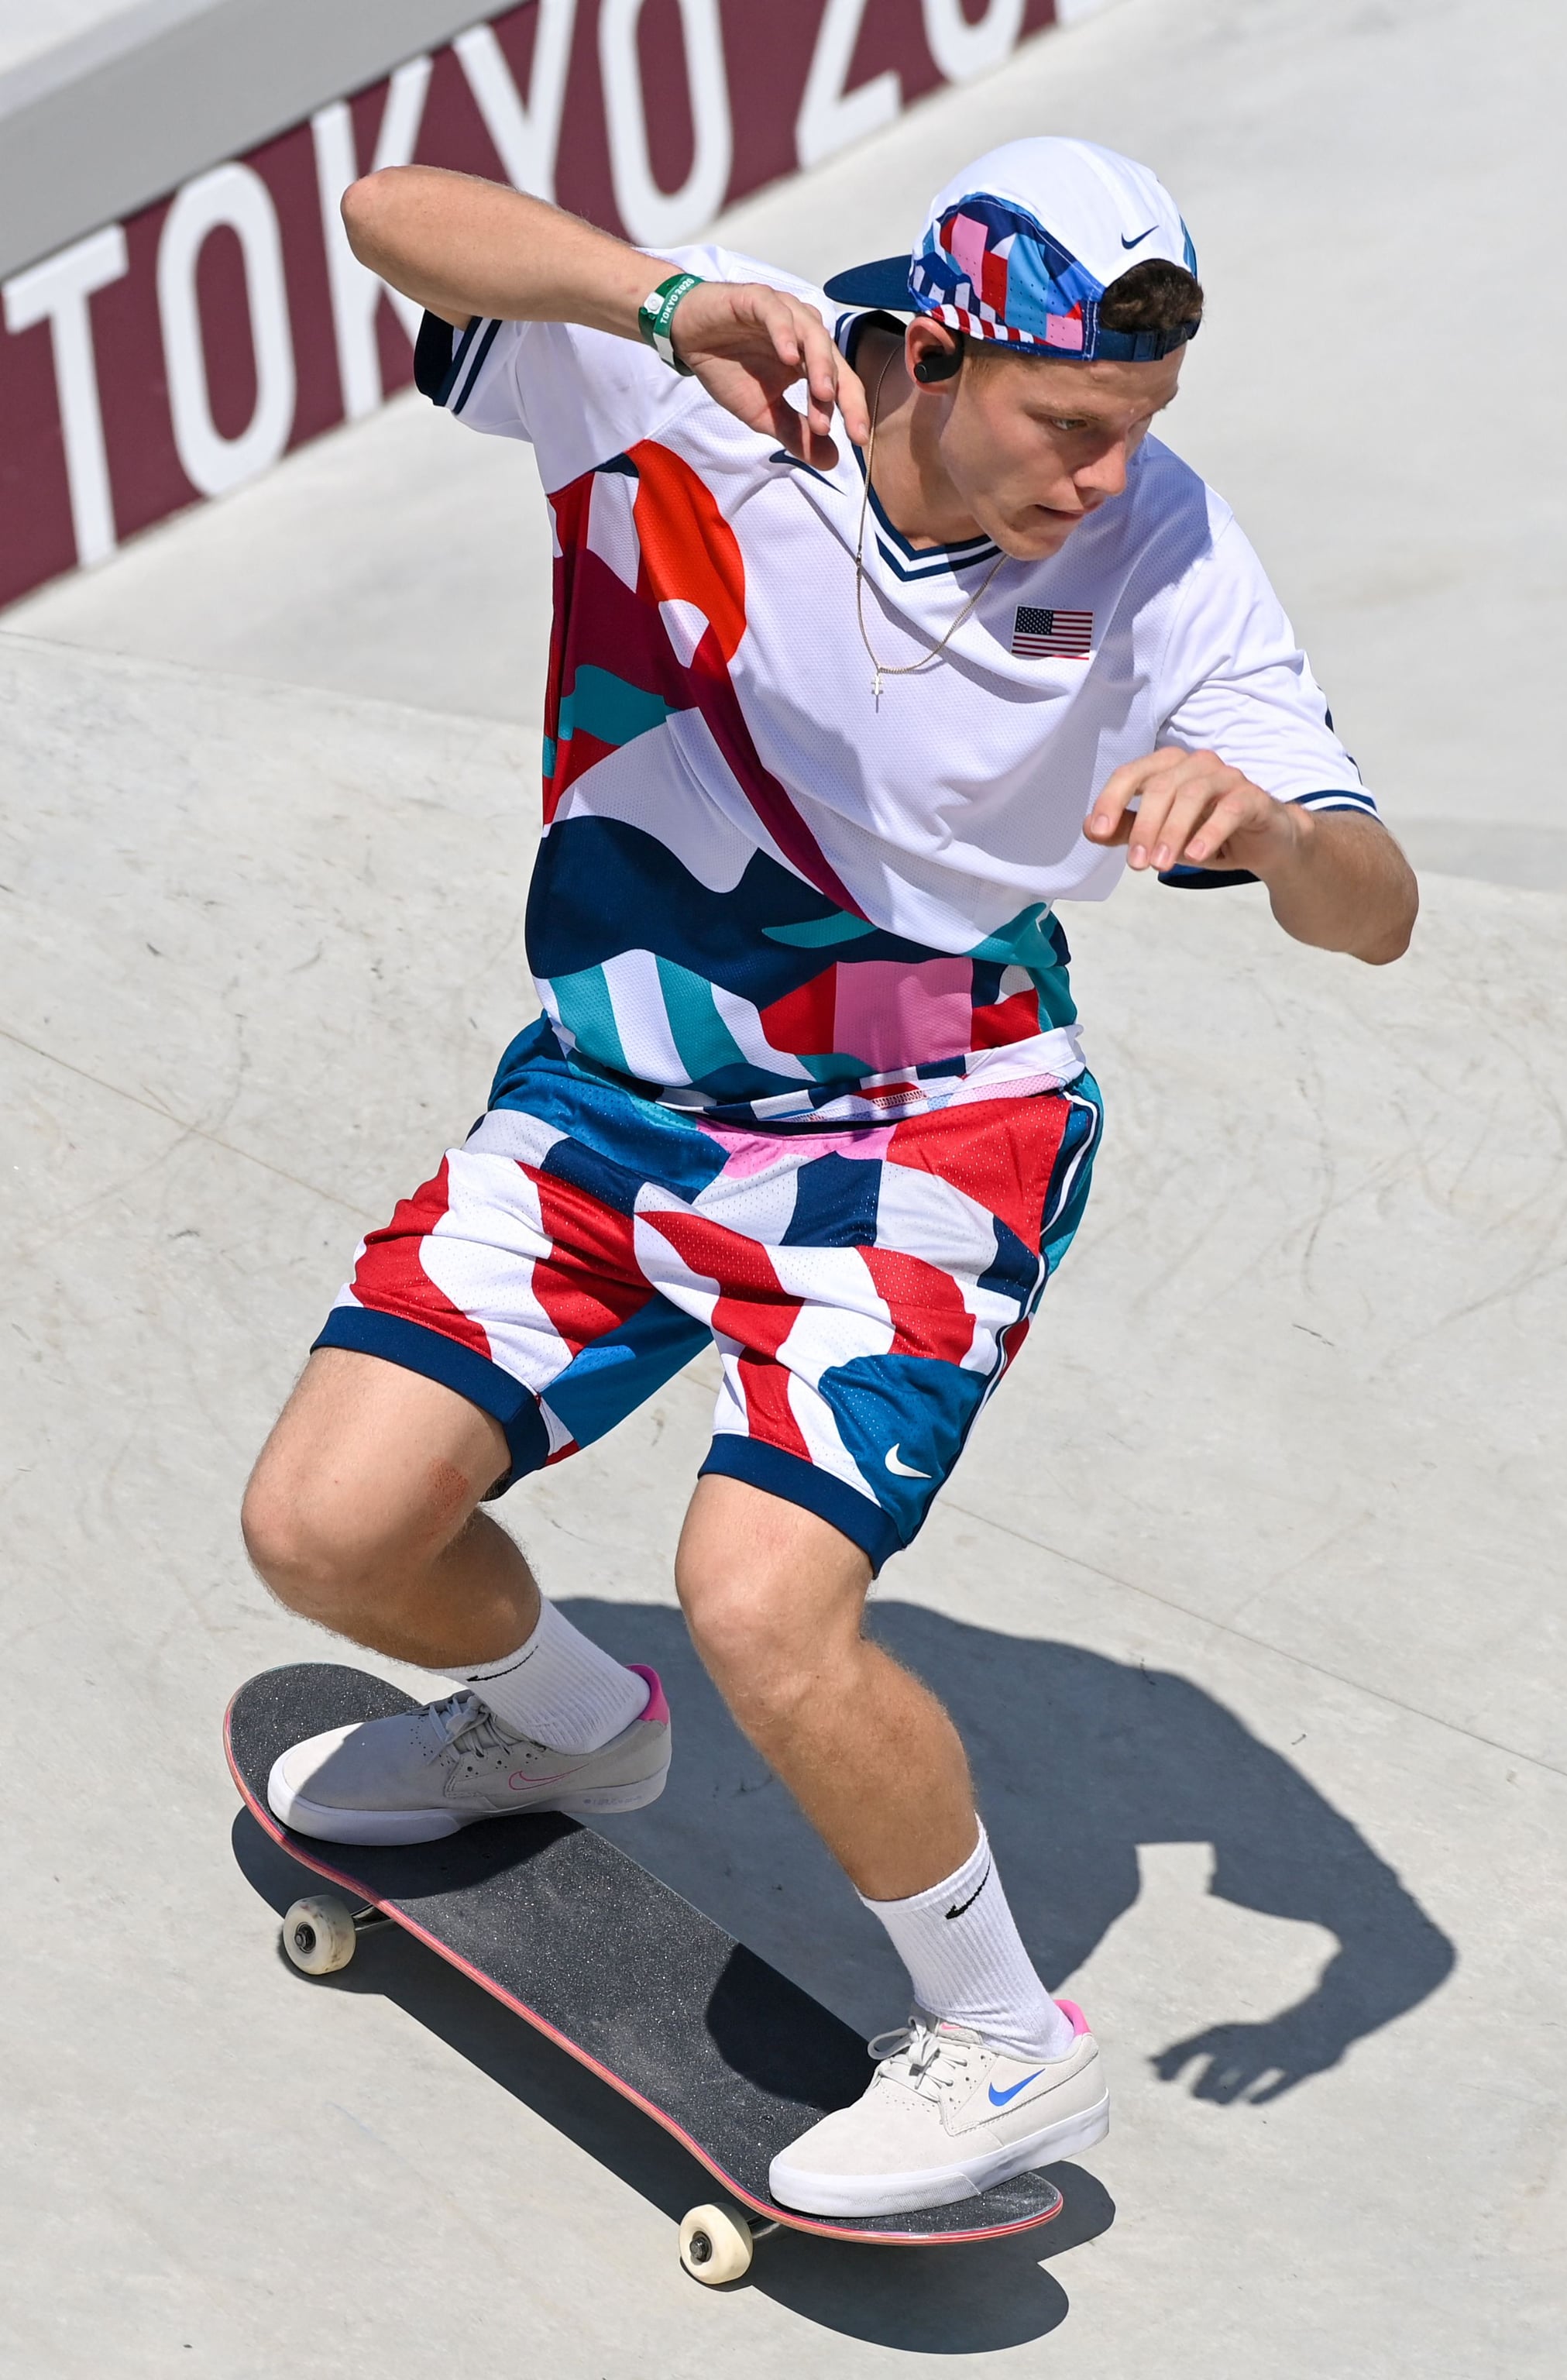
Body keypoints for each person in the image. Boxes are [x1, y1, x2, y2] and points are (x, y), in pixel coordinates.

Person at [242, 137, 1417, 2218]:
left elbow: (1376, 911)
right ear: (942, 350)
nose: (1100, 476)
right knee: (327, 1532)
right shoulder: (703, 365)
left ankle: (1001, 2044)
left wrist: (1275, 826)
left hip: (928, 1119)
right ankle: (556, 1722)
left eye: (1138, 432)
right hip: (618, 1091)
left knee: (763, 1602)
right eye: (1067, 424)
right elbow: (389, 212)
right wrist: (653, 299)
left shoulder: (1164, 551)